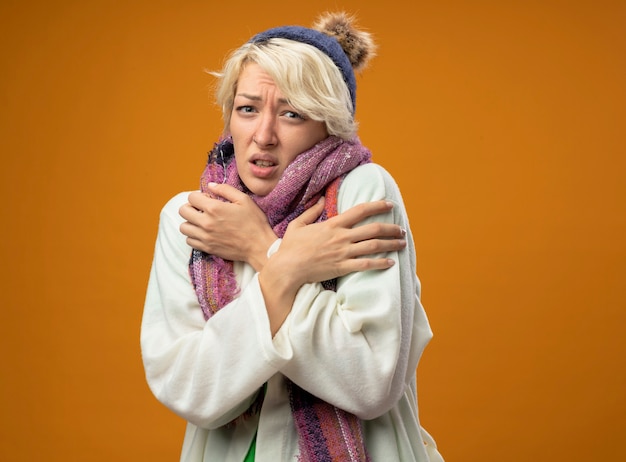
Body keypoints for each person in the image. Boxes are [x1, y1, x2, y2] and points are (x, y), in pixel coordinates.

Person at [141, 11, 443, 462]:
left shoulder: (364, 191)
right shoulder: (190, 217)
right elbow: (191, 391)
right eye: (247, 109)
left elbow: (370, 382)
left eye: (291, 114)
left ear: (330, 123)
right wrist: (286, 270)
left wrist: (262, 250)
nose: (263, 136)